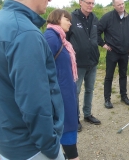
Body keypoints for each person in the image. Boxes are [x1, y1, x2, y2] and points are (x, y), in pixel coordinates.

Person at [0, 0, 65, 160]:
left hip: (7, 140)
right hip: (32, 148)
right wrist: (51, 147)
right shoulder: (25, 33)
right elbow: (34, 100)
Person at [44, 9, 79, 160]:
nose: (70, 22)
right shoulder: (51, 38)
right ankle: (72, 156)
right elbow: (41, 67)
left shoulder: (60, 37)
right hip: (59, 94)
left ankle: (67, 155)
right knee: (66, 124)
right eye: (67, 19)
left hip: (65, 90)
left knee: (67, 123)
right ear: (58, 19)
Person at [67, 0, 101, 132]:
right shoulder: (71, 18)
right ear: (80, 2)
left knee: (90, 90)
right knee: (75, 91)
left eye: (93, 3)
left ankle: (87, 114)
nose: (91, 5)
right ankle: (75, 118)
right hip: (77, 63)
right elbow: (65, 38)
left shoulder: (94, 19)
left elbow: (97, 37)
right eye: (88, 2)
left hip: (92, 61)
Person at [97, 0, 129, 109]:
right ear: (114, 6)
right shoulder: (107, 18)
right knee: (109, 76)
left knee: (123, 75)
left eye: (123, 3)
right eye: (119, 4)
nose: (122, 6)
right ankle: (107, 99)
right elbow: (97, 31)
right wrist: (103, 44)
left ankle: (124, 96)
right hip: (112, 52)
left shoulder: (128, 17)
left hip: (124, 52)